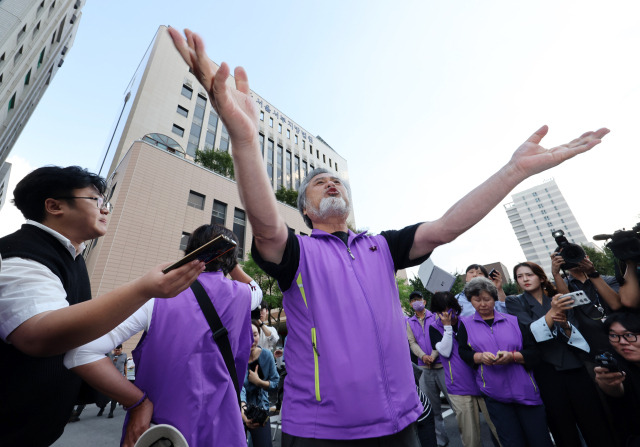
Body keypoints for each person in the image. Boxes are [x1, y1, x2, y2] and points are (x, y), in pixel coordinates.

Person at [169, 26, 608, 445]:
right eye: (319, 183)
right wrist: (244, 140)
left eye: (335, 180)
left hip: (400, 421)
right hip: (322, 431)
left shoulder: (381, 246)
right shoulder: (297, 252)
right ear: (304, 209)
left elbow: (447, 226)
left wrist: (515, 170)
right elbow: (266, 226)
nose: (332, 183)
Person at [0, 166, 204, 447]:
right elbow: (37, 335)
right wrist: (144, 289)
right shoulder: (20, 256)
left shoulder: (71, 257)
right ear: (54, 205)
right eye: (96, 200)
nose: (105, 210)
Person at [64, 224, 262, 447]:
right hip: (225, 431)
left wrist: (137, 402)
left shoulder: (155, 296)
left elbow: (81, 352)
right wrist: (230, 260)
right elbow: (256, 287)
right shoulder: (245, 296)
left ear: (190, 252)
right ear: (230, 259)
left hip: (161, 433)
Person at [506, 261, 614, 447]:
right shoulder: (515, 301)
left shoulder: (559, 297)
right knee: (562, 427)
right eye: (520, 276)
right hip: (545, 369)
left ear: (541, 277)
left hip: (574, 365)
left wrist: (564, 324)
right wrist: (553, 313)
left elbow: (575, 329)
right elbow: (530, 331)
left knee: (593, 422)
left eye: (529, 275)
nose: (524, 279)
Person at [457, 278, 552, 446]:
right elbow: (463, 352)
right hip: (494, 394)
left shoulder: (513, 321)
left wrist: (512, 356)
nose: (482, 304)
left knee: (540, 440)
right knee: (511, 441)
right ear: (470, 300)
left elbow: (534, 353)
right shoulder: (465, 324)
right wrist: (479, 357)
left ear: (494, 298)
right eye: (477, 300)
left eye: (487, 299)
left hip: (525, 391)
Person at [429, 291, 500, 447]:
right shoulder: (434, 328)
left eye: (450, 310)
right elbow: (445, 351)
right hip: (459, 387)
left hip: (484, 382)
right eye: (442, 311)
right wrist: (447, 328)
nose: (447, 314)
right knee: (470, 437)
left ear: (456, 308)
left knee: (499, 429)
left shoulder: (469, 322)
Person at [551, 253, 622, 354]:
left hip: (621, 337)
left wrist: (592, 273)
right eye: (566, 257)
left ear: (587, 257)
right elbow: (568, 304)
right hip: (590, 346)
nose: (572, 259)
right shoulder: (560, 285)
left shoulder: (608, 280)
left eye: (574, 253)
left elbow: (616, 304)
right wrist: (556, 274)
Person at [407, 291, 449, 447]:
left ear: (424, 302)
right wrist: (424, 356)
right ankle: (441, 442)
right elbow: (412, 343)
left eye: (418, 299)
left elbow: (442, 336)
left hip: (441, 365)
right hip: (423, 368)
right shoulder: (409, 322)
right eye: (413, 301)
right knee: (433, 409)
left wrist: (433, 354)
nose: (416, 302)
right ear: (411, 304)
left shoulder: (436, 316)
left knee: (454, 403)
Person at [594, 311, 640, 446]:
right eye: (613, 335)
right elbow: (616, 388)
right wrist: (609, 384)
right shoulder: (616, 366)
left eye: (630, 335)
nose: (622, 342)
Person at [241, 320, 280, 447]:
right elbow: (238, 387)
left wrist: (259, 382)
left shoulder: (267, 355)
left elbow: (276, 382)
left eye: (255, 334)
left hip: (261, 409)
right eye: (248, 334)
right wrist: (243, 408)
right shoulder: (238, 357)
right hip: (240, 409)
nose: (252, 339)